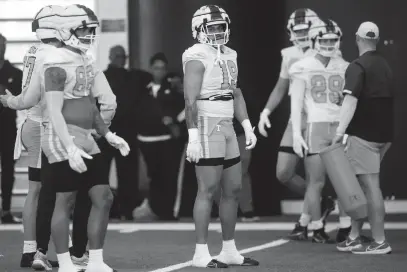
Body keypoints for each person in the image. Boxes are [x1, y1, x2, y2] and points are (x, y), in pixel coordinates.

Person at [38, 4, 129, 272]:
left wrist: (108, 134)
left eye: (91, 29)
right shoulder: (54, 62)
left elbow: (90, 105)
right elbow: (54, 111)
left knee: (103, 196)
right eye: (84, 29)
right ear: (66, 30)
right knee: (65, 199)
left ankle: (96, 260)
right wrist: (69, 147)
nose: (89, 34)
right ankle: (66, 263)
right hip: (61, 135)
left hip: (87, 135)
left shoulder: (85, 60)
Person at [183, 5, 259, 268]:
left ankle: (228, 249)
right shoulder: (196, 55)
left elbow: (235, 93)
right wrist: (193, 136)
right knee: (207, 190)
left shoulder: (231, 54)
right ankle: (201, 253)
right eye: (212, 27)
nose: (217, 31)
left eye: (220, 26)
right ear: (199, 29)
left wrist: (247, 125)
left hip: (227, 124)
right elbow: (190, 99)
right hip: (206, 123)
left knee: (233, 189)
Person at [257, 8, 335, 240]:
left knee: (314, 178)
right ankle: (321, 204)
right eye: (296, 31)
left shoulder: (327, 51)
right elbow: (282, 86)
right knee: (283, 173)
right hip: (296, 119)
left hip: (318, 120)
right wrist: (266, 111)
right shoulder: (290, 54)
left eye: (305, 31)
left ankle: (305, 222)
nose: (300, 36)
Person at [333, 22, 393, 254]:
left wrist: (339, 134)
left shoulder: (356, 66)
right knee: (360, 186)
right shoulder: (385, 65)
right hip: (383, 136)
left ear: (357, 38)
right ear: (376, 40)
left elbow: (350, 102)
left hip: (364, 136)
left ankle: (379, 241)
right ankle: (355, 236)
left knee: (369, 187)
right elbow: (375, 98)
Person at [289, 19, 351, 243]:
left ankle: (345, 226)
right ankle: (316, 227)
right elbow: (296, 103)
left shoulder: (344, 66)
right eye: (323, 40)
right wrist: (296, 133)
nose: (328, 44)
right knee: (316, 182)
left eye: (332, 39)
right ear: (314, 40)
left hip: (339, 127)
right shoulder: (302, 66)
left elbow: (350, 100)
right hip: (316, 127)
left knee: (344, 180)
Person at [135, 52, 185, 220]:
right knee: (153, 176)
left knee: (169, 176)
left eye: (162, 68)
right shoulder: (142, 89)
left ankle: (168, 212)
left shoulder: (173, 89)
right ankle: (155, 210)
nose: (159, 71)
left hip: (166, 140)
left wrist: (174, 121)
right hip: (145, 140)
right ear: (151, 69)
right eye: (156, 68)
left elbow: (188, 107)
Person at [101, 45, 140, 221]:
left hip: (127, 130)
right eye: (118, 55)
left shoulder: (132, 77)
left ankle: (127, 209)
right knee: (102, 172)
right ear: (110, 56)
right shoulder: (102, 77)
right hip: (106, 130)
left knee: (128, 173)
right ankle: (104, 208)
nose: (121, 58)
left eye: (124, 56)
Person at [0, 33, 23, 224]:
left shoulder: (15, 74)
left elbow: (21, 100)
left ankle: (5, 210)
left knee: (8, 170)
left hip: (7, 128)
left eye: (2, 44)